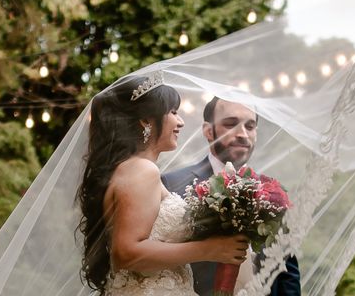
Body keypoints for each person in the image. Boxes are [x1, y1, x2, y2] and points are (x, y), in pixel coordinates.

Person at [76, 73, 249, 295]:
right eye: (173, 112)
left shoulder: (130, 169)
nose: (181, 122)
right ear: (146, 120)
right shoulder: (142, 170)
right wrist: (211, 249)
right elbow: (126, 253)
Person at [162, 96, 301, 296]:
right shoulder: (172, 185)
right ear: (208, 131)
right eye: (230, 124)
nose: (243, 134)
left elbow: (287, 271)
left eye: (250, 126)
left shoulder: (275, 194)